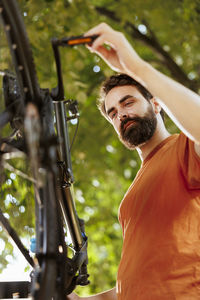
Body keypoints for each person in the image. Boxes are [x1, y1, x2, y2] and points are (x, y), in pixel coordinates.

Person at [67, 23, 200, 299]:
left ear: (156, 104)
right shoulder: (129, 200)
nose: (121, 115)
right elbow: (133, 285)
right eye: (113, 113)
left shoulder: (184, 148)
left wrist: (136, 67)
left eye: (128, 103)